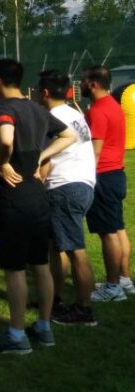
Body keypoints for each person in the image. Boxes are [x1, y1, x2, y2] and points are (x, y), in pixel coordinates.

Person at [0, 59, 76, 355]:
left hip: (14, 197)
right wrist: (41, 157)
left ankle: (16, 335)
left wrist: (3, 162)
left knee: (13, 268)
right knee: (40, 265)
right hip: (38, 196)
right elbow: (69, 135)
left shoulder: (5, 109)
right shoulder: (38, 108)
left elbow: (6, 139)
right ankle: (45, 327)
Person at [37, 69, 97, 326]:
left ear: (45, 92)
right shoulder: (75, 114)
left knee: (74, 249)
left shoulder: (50, 118)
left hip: (65, 187)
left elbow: (46, 161)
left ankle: (84, 310)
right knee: (57, 247)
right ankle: (54, 299)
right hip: (83, 185)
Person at [82, 65, 133, 301]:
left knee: (108, 233)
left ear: (93, 84)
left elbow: (95, 151)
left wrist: (86, 178)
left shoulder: (98, 110)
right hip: (116, 174)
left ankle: (113, 288)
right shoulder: (114, 105)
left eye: (83, 81)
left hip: (103, 175)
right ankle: (123, 279)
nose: (80, 84)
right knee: (118, 229)